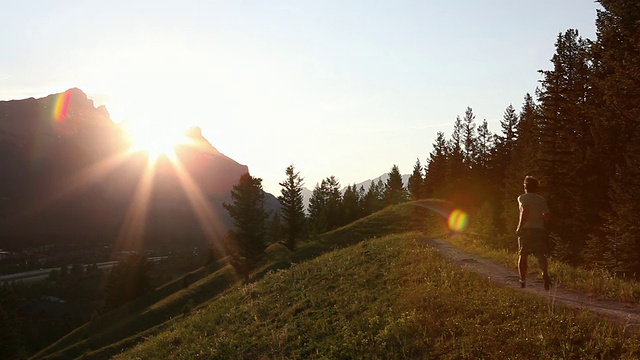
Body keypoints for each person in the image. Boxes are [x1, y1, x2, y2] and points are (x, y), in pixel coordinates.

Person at [516, 176, 551, 290]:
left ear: (526, 186)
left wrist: (519, 227)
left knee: (523, 254)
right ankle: (545, 273)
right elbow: (546, 216)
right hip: (538, 229)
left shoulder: (522, 198)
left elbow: (524, 212)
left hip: (526, 230)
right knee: (540, 254)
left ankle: (522, 279)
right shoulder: (541, 200)